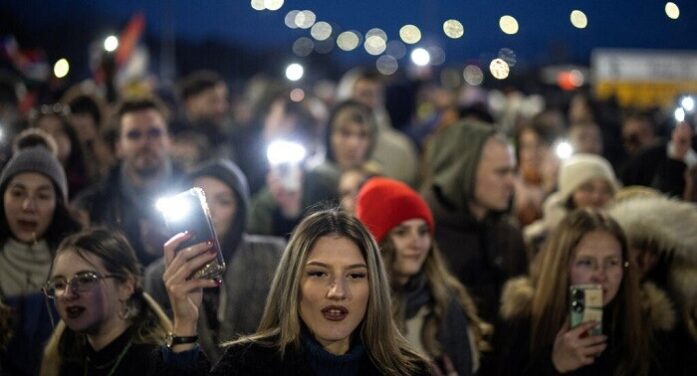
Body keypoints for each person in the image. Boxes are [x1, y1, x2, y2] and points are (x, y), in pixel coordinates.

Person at [163, 208, 430, 375]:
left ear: (374, 288)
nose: (338, 291)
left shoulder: (409, 371)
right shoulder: (248, 365)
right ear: (293, 282)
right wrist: (185, 322)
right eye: (318, 273)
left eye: (355, 275)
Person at [484, 209, 675, 375]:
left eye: (612, 263)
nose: (600, 275)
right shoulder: (523, 322)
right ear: (561, 267)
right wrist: (553, 365)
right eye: (586, 262)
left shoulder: (648, 324)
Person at [144, 158, 285, 362]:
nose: (209, 210)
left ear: (239, 210)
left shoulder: (272, 255)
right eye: (198, 201)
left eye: (224, 201)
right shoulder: (159, 275)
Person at [356, 177, 490, 376]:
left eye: (423, 231)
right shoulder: (356, 308)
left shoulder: (445, 302)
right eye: (402, 233)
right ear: (377, 243)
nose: (416, 243)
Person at [421, 120, 527, 323]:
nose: (511, 183)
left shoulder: (509, 234)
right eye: (501, 172)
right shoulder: (421, 235)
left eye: (513, 171)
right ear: (463, 172)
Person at [39, 228, 174, 376]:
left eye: (85, 279)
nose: (67, 294)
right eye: (59, 284)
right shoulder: (64, 360)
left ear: (126, 287)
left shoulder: (156, 362)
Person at [74, 96, 186, 267]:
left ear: (169, 140)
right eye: (134, 135)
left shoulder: (196, 193)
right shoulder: (92, 205)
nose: (145, 143)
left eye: (154, 133)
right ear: (119, 146)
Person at [0, 146, 82, 375]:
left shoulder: (79, 268)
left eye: (43, 196)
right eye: (18, 193)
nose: (28, 206)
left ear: (58, 204)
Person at [524, 153, 620, 258]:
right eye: (588, 188)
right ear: (570, 194)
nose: (597, 196)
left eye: (606, 190)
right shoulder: (539, 239)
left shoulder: (621, 236)